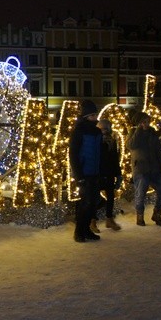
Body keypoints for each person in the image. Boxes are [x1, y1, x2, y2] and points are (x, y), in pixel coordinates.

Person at [69, 100, 102, 243]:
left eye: (96, 114)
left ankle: (86, 229)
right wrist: (78, 175)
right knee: (85, 203)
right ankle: (79, 231)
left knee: (94, 202)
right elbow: (73, 155)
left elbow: (100, 153)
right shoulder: (78, 132)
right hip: (84, 173)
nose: (95, 117)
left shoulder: (97, 132)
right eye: (93, 115)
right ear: (86, 116)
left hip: (95, 172)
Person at [127, 112, 161, 226]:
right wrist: (138, 131)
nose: (146, 124)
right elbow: (130, 145)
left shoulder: (152, 134)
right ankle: (140, 216)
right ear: (139, 123)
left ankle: (157, 214)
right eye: (144, 122)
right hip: (141, 169)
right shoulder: (133, 133)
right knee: (140, 194)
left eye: (147, 121)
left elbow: (160, 152)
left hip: (155, 169)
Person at [91, 118, 122, 232]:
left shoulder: (112, 141)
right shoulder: (95, 141)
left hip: (109, 173)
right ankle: (92, 221)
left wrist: (118, 174)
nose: (104, 131)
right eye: (102, 129)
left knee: (110, 197)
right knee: (95, 198)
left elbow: (114, 159)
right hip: (98, 173)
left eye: (106, 129)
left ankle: (109, 219)